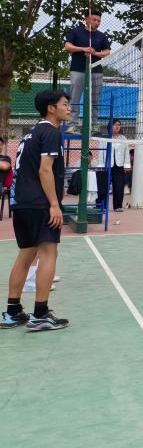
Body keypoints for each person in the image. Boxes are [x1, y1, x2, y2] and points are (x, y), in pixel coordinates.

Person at [2, 90, 72, 330]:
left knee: (26, 254)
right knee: (49, 253)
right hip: (39, 203)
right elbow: (45, 170)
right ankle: (40, 314)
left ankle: (12, 312)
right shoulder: (51, 132)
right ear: (51, 108)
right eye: (65, 104)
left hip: (21, 203)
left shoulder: (31, 133)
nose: (69, 108)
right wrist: (54, 204)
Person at [64, 8, 111, 131]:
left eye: (98, 21)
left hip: (96, 71)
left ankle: (93, 125)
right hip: (77, 69)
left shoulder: (102, 36)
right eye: (94, 20)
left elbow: (107, 52)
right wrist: (83, 49)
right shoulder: (76, 32)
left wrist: (94, 53)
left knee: (95, 99)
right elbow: (67, 46)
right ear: (86, 19)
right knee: (74, 97)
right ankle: (72, 125)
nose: (96, 22)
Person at [109, 119, 131, 213]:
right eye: (115, 124)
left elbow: (127, 153)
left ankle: (118, 206)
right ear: (110, 126)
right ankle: (102, 205)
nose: (117, 126)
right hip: (108, 165)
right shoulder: (106, 137)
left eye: (119, 125)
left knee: (118, 186)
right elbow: (101, 151)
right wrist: (101, 164)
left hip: (119, 166)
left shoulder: (123, 139)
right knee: (104, 186)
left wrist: (127, 166)